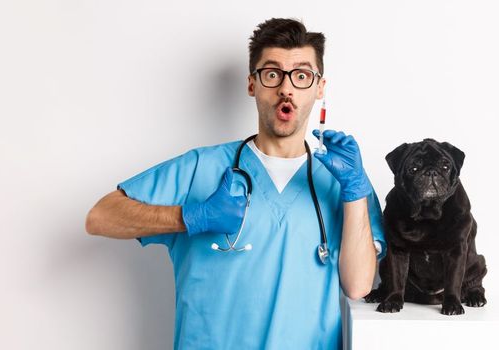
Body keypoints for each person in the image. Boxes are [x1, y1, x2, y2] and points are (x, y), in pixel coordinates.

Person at [85, 18, 386, 349]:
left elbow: (359, 285)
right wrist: (189, 217)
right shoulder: (202, 167)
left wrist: (356, 192)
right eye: (272, 74)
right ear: (252, 84)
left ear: (319, 88)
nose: (286, 88)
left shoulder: (342, 178)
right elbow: (100, 217)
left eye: (301, 76)